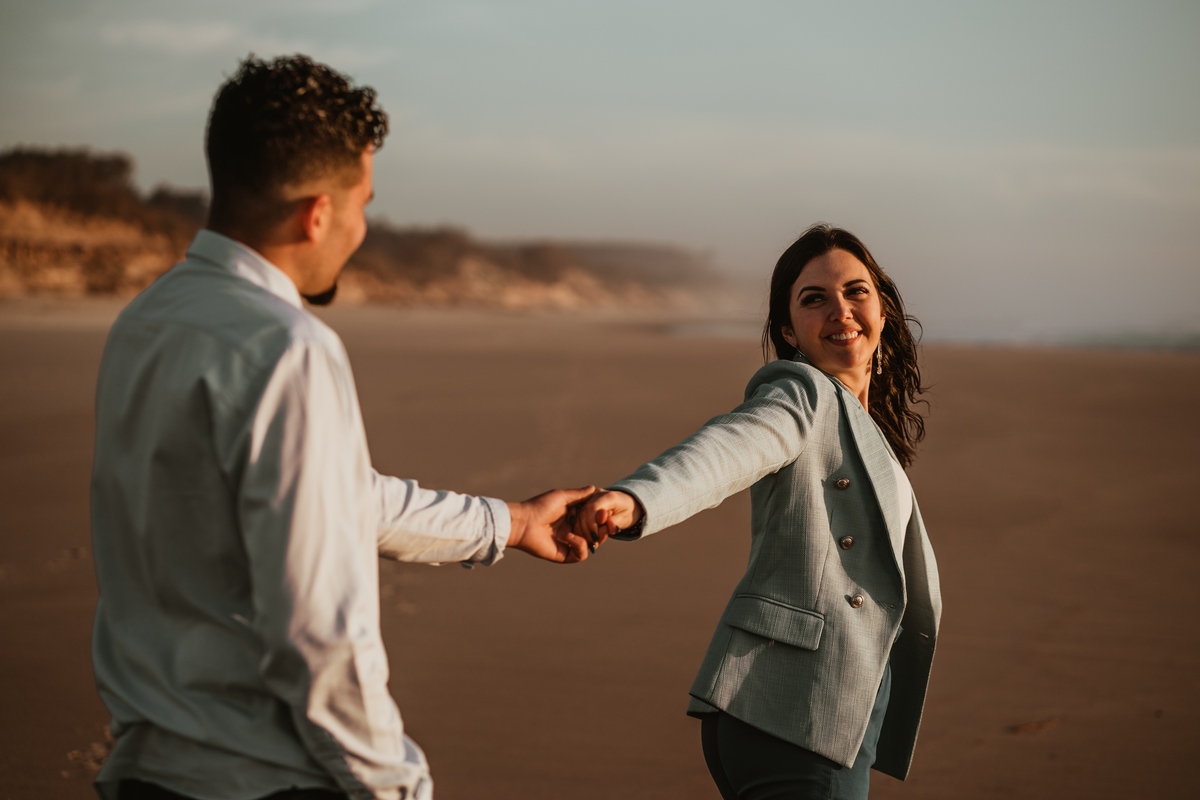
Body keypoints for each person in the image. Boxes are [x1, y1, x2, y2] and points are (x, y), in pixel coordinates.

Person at [89, 55, 595, 800]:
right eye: (363, 203)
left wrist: (511, 523)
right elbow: (318, 627)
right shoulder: (287, 347)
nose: (363, 228)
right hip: (263, 779)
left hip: (148, 769)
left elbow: (331, 498)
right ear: (317, 213)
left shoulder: (146, 321)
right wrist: (395, 787)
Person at [574, 224, 942, 800]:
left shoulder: (862, 426)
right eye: (814, 298)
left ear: (884, 309)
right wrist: (636, 499)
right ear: (789, 331)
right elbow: (729, 448)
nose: (840, 310)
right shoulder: (799, 395)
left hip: (805, 712)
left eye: (856, 291)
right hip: (799, 712)